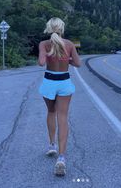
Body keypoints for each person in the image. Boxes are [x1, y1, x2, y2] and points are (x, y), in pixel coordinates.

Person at [38, 17, 81, 176]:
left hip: (49, 82)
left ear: (48, 29)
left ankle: (51, 146)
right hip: (64, 82)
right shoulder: (69, 44)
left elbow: (41, 63)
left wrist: (48, 55)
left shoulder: (44, 44)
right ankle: (61, 158)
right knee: (62, 117)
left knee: (51, 112)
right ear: (62, 29)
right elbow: (78, 64)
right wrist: (67, 58)